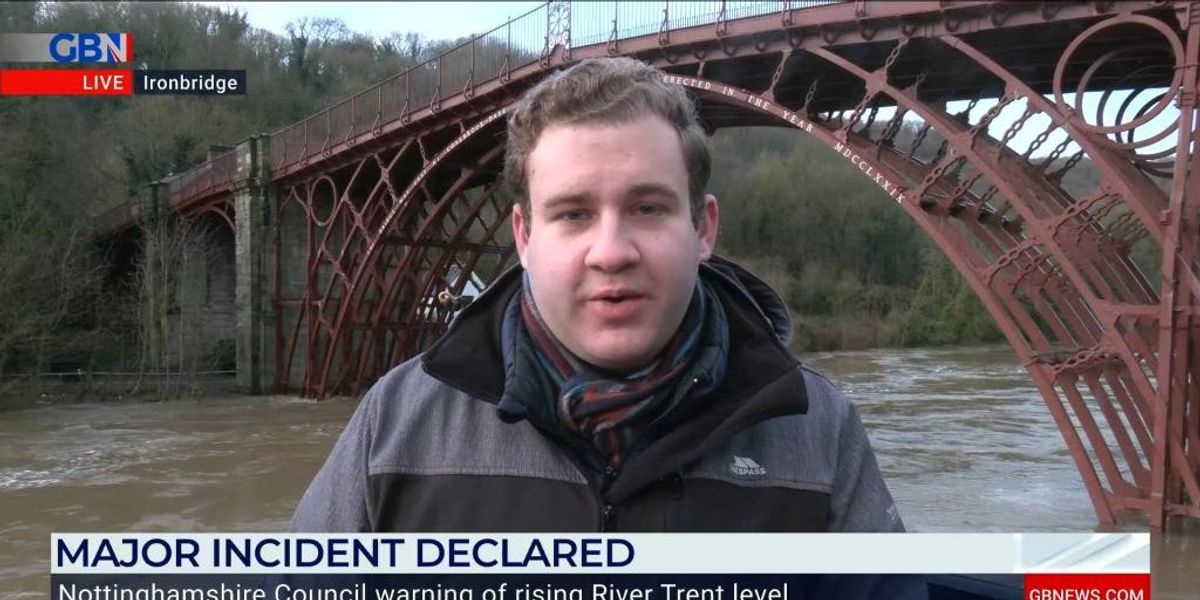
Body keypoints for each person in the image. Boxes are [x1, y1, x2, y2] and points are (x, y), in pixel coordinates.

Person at [290, 56, 904, 533]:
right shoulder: (397, 425)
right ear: (524, 236)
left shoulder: (819, 432)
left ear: (703, 228)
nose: (611, 251)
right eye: (573, 214)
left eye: (647, 207)